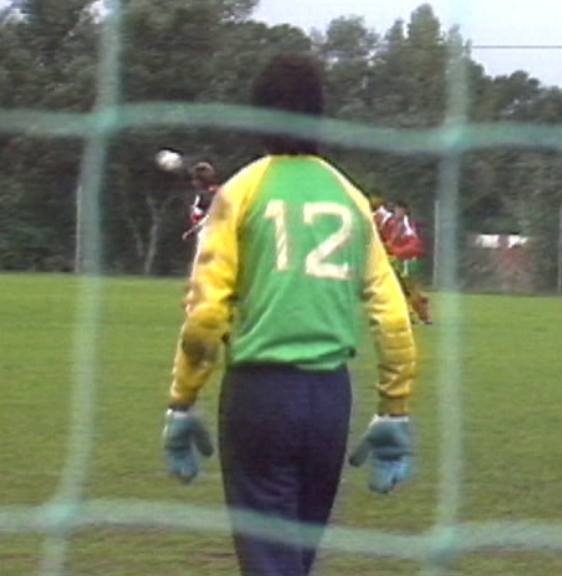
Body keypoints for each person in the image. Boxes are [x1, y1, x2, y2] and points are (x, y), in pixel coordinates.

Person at [161, 53, 417, 576]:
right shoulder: (350, 198)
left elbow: (207, 313)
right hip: (329, 398)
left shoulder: (239, 192)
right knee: (294, 561)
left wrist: (183, 400)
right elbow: (393, 317)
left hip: (260, 396)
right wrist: (394, 409)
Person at [385, 201, 432, 325]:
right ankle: (413, 314)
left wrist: (397, 250)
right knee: (400, 288)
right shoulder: (392, 223)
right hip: (398, 258)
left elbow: (413, 241)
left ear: (405, 211)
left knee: (409, 288)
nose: (397, 212)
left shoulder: (405, 224)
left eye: (399, 210)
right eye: (395, 210)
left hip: (407, 259)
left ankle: (424, 316)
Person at [181, 161, 220, 242]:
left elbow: (210, 217)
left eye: (195, 179)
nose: (193, 183)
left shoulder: (208, 196)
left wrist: (191, 232)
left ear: (202, 181)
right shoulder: (217, 192)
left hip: (215, 238)